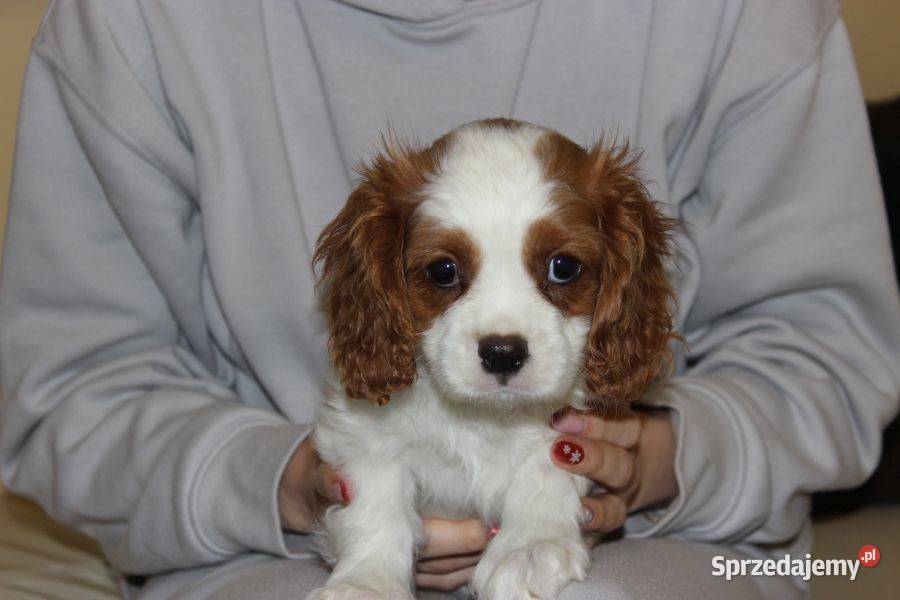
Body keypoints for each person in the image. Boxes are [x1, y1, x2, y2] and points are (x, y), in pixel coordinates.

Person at [1, 1, 898, 598]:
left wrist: (663, 456)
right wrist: (290, 488)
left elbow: (827, 356)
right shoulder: (127, 26)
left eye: (562, 272)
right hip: (254, 557)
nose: (505, 327)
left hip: (678, 545)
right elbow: (68, 387)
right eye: (443, 273)